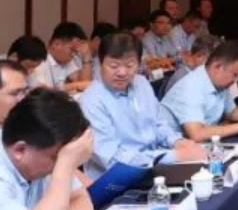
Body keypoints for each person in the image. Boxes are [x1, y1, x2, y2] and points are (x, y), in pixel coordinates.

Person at [77, 31, 195, 174]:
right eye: (114, 66)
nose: (122, 72)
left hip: (153, 166)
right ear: (100, 63)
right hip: (117, 178)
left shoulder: (142, 83)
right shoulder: (91, 100)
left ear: (139, 64)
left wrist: (177, 142)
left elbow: (158, 123)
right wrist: (173, 156)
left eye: (129, 66)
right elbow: (113, 160)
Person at [163, 41, 238, 145]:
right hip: (169, 147)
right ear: (217, 67)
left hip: (198, 144)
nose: (236, 80)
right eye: (235, 74)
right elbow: (197, 134)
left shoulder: (219, 83)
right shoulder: (191, 87)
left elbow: (232, 112)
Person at [31, 21, 92, 93]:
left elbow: (84, 86)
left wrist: (86, 57)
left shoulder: (67, 60)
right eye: (72, 50)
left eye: (76, 51)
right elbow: (42, 92)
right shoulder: (39, 61)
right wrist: (73, 86)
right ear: (57, 44)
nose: (74, 54)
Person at [141, 10, 191, 74]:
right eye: (161, 23)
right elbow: (156, 63)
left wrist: (179, 56)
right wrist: (175, 58)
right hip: (154, 75)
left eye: (168, 23)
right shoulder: (147, 40)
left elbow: (176, 53)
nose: (166, 26)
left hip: (166, 72)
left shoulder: (166, 37)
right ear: (151, 25)